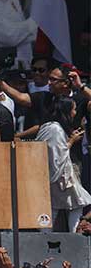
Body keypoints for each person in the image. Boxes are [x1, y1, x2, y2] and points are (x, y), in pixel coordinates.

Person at [36, 94, 91, 233]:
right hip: (57, 178)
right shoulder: (54, 129)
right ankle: (70, 237)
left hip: (57, 177)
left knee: (67, 206)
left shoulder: (52, 127)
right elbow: (56, 156)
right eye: (73, 110)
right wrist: (72, 141)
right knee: (73, 204)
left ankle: (69, 236)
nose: (74, 113)